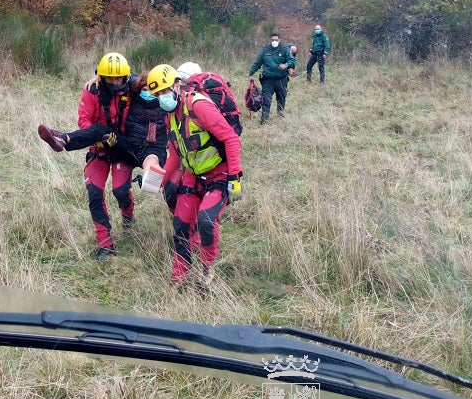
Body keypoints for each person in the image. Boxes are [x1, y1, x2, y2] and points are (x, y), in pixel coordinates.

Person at [38, 53, 168, 259]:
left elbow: (144, 80)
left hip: (121, 149)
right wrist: (98, 142)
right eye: (110, 78)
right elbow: (84, 121)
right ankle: (105, 245)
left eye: (119, 78)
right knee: (95, 194)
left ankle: (128, 217)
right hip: (98, 149)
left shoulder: (131, 88)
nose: (115, 82)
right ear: (103, 78)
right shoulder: (92, 91)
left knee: (120, 191)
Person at [146, 63, 243, 292]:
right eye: (157, 94)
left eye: (165, 91)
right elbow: (174, 154)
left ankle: (207, 270)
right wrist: (157, 181)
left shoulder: (198, 106)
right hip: (193, 174)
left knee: (207, 222)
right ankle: (178, 276)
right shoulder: (170, 116)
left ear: (177, 85)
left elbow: (230, 139)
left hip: (219, 172)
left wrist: (235, 178)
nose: (162, 97)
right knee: (180, 226)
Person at [248, 32, 295, 123]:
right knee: (266, 100)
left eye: (276, 40)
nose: (274, 41)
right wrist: (250, 73)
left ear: (279, 40)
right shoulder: (265, 50)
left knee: (281, 98)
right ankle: (264, 120)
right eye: (272, 40)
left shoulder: (285, 50)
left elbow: (292, 60)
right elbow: (257, 63)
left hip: (281, 79)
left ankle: (280, 117)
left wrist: (286, 65)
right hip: (268, 80)